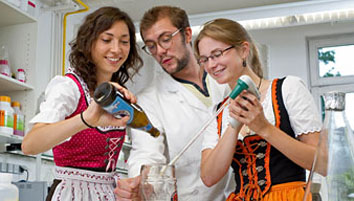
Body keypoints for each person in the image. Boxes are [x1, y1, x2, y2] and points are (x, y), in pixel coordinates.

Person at [21, 6, 143, 201]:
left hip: (108, 193)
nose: (116, 49)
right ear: (89, 43)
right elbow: (30, 145)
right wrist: (86, 119)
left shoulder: (117, 93)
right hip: (72, 194)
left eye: (124, 42)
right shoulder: (69, 87)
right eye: (106, 39)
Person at [194, 18, 322, 201]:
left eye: (218, 54)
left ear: (244, 50)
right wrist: (233, 125)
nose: (211, 65)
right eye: (204, 59)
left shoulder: (288, 89)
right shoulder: (218, 112)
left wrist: (264, 128)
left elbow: (321, 162)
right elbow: (208, 177)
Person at [114, 6, 234, 201]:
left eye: (166, 39)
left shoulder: (226, 78)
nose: (160, 51)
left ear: (187, 34)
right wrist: (141, 183)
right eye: (151, 45)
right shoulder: (149, 101)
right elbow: (146, 154)